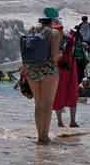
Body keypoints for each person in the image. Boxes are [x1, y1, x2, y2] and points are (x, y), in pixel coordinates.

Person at [21, 8, 63, 144]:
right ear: (52, 20)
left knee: (38, 104)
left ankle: (40, 135)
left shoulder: (31, 30)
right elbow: (55, 56)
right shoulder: (54, 33)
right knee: (48, 104)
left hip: (31, 69)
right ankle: (45, 136)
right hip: (48, 70)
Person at [52, 24, 79, 126]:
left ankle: (60, 121)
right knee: (72, 93)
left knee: (59, 94)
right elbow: (72, 52)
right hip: (70, 67)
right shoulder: (70, 39)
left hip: (59, 69)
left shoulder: (52, 40)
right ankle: (72, 121)